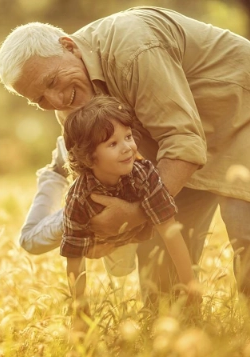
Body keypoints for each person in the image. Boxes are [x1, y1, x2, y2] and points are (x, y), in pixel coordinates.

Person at [0, 6, 250, 322]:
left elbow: (183, 143)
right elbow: (94, 178)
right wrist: (105, 233)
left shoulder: (133, 47)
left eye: (52, 81)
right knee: (160, 272)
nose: (56, 101)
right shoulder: (69, 102)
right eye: (40, 100)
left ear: (69, 46)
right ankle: (176, 353)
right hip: (177, 137)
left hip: (244, 108)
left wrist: (137, 213)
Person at [60, 95, 200, 312]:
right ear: (89, 157)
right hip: (103, 239)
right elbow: (75, 259)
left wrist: (191, 286)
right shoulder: (78, 199)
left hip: (139, 230)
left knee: (160, 280)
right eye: (113, 144)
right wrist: (80, 315)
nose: (127, 148)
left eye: (128, 137)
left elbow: (169, 229)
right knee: (118, 271)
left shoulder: (144, 174)